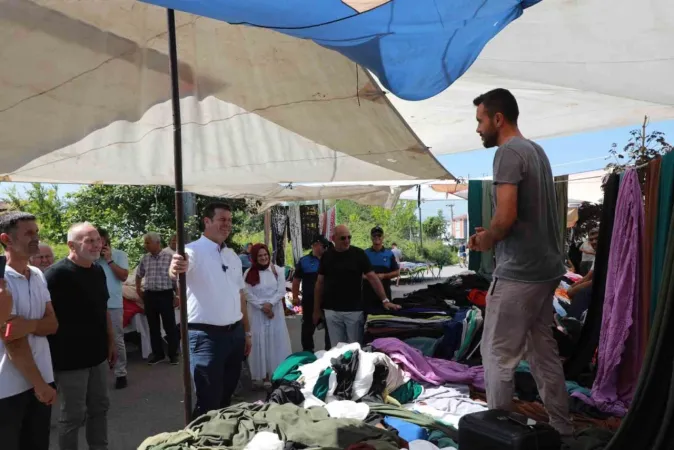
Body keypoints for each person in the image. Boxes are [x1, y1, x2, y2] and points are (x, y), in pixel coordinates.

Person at [468, 88, 573, 436]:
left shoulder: (508, 152)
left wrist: (486, 238)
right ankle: (563, 428)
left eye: (481, 120)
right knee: (543, 353)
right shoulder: (536, 152)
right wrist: (498, 231)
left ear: (498, 119)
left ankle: (498, 437)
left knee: (497, 355)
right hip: (546, 271)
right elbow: (525, 216)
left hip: (519, 274)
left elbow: (507, 216)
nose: (479, 129)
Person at [169, 202, 252, 419]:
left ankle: (220, 437)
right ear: (207, 221)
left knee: (227, 396)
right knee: (208, 399)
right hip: (206, 337)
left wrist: (247, 332)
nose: (227, 224)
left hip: (235, 335)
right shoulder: (192, 251)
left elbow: (240, 295)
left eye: (230, 220)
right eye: (222, 219)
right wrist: (176, 267)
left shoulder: (232, 255)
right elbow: (178, 268)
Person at [46, 222, 117, 450]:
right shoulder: (56, 275)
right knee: (73, 415)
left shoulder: (97, 270)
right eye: (90, 241)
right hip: (69, 359)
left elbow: (103, 308)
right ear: (71, 245)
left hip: (97, 355)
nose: (97, 245)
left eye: (98, 240)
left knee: (100, 407)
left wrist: (111, 340)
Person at [0, 212, 58, 450]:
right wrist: (40, 385)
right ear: (6, 239)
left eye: (36, 232)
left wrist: (30, 325)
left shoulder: (37, 274)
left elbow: (53, 324)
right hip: (9, 388)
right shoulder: (1, 281)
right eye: (28, 233)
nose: (36, 238)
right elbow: (13, 340)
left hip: (43, 380)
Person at [313, 225, 400, 345]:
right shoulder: (327, 256)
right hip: (332, 311)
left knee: (355, 348)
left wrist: (385, 300)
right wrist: (316, 309)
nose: (347, 241)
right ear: (334, 238)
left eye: (349, 237)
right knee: (336, 349)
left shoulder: (359, 254)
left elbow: (373, 278)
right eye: (343, 238)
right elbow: (319, 283)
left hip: (353, 311)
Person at [244, 244, 292, 386]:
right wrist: (262, 306)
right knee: (260, 342)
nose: (264, 258)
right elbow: (246, 293)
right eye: (260, 256)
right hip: (257, 314)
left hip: (275, 313)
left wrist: (270, 304)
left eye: (265, 255)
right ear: (254, 258)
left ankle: (275, 374)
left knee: (275, 342)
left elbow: (281, 291)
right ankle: (262, 376)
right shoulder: (248, 273)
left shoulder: (277, 270)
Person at [136, 232, 179, 366]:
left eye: (148, 242)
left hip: (165, 295)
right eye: (145, 243)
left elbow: (177, 279)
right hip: (150, 295)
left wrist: (177, 296)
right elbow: (138, 275)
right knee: (153, 327)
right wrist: (138, 289)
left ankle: (173, 355)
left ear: (157, 243)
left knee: (170, 326)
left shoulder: (169, 257)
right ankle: (158, 354)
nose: (146, 245)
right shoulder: (145, 258)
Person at [97, 228, 129, 390]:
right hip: (94, 305)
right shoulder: (90, 257)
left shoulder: (119, 254)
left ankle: (120, 373)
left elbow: (123, 276)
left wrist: (109, 260)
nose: (98, 244)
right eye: (94, 240)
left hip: (113, 304)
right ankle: (99, 374)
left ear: (106, 240)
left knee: (117, 339)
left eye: (100, 240)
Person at [292, 235, 331, 352]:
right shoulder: (304, 261)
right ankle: (308, 352)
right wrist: (294, 297)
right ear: (314, 245)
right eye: (322, 246)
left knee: (329, 328)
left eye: (326, 246)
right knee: (308, 328)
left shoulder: (329, 259)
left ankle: (328, 352)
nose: (325, 248)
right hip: (309, 300)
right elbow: (296, 280)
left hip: (328, 300)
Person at [363, 227, 400, 315]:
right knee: (366, 322)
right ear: (371, 237)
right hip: (367, 295)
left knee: (385, 322)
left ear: (383, 237)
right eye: (374, 235)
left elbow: (397, 272)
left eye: (379, 235)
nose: (377, 237)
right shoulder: (365, 253)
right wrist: (369, 277)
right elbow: (359, 273)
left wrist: (384, 276)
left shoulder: (389, 254)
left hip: (385, 294)